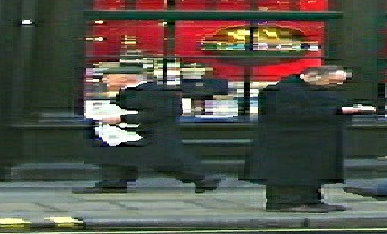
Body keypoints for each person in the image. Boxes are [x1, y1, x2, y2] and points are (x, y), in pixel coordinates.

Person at [243, 65, 375, 212]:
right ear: (314, 76)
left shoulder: (316, 90)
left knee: (311, 172)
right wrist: (338, 111)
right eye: (333, 81)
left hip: (312, 142)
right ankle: (286, 202)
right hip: (287, 144)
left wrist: (349, 109)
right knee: (291, 173)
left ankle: (310, 200)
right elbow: (290, 114)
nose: (336, 85)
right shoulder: (281, 90)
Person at [74, 65, 222, 194]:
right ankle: (114, 182)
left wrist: (122, 119)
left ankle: (204, 179)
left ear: (125, 77)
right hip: (135, 134)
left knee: (168, 161)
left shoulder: (152, 91)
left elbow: (159, 113)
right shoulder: (131, 90)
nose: (104, 80)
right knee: (115, 153)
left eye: (108, 77)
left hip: (153, 135)